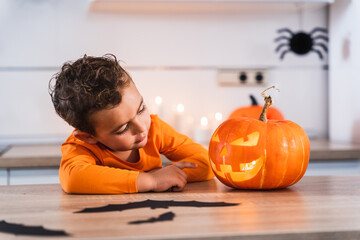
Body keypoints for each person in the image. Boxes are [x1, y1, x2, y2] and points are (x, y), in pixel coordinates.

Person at [49, 54, 214, 194]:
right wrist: (150, 180)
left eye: (141, 109)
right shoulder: (81, 147)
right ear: (88, 136)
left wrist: (166, 174)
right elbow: (73, 178)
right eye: (123, 128)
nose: (142, 128)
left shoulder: (156, 129)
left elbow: (207, 162)